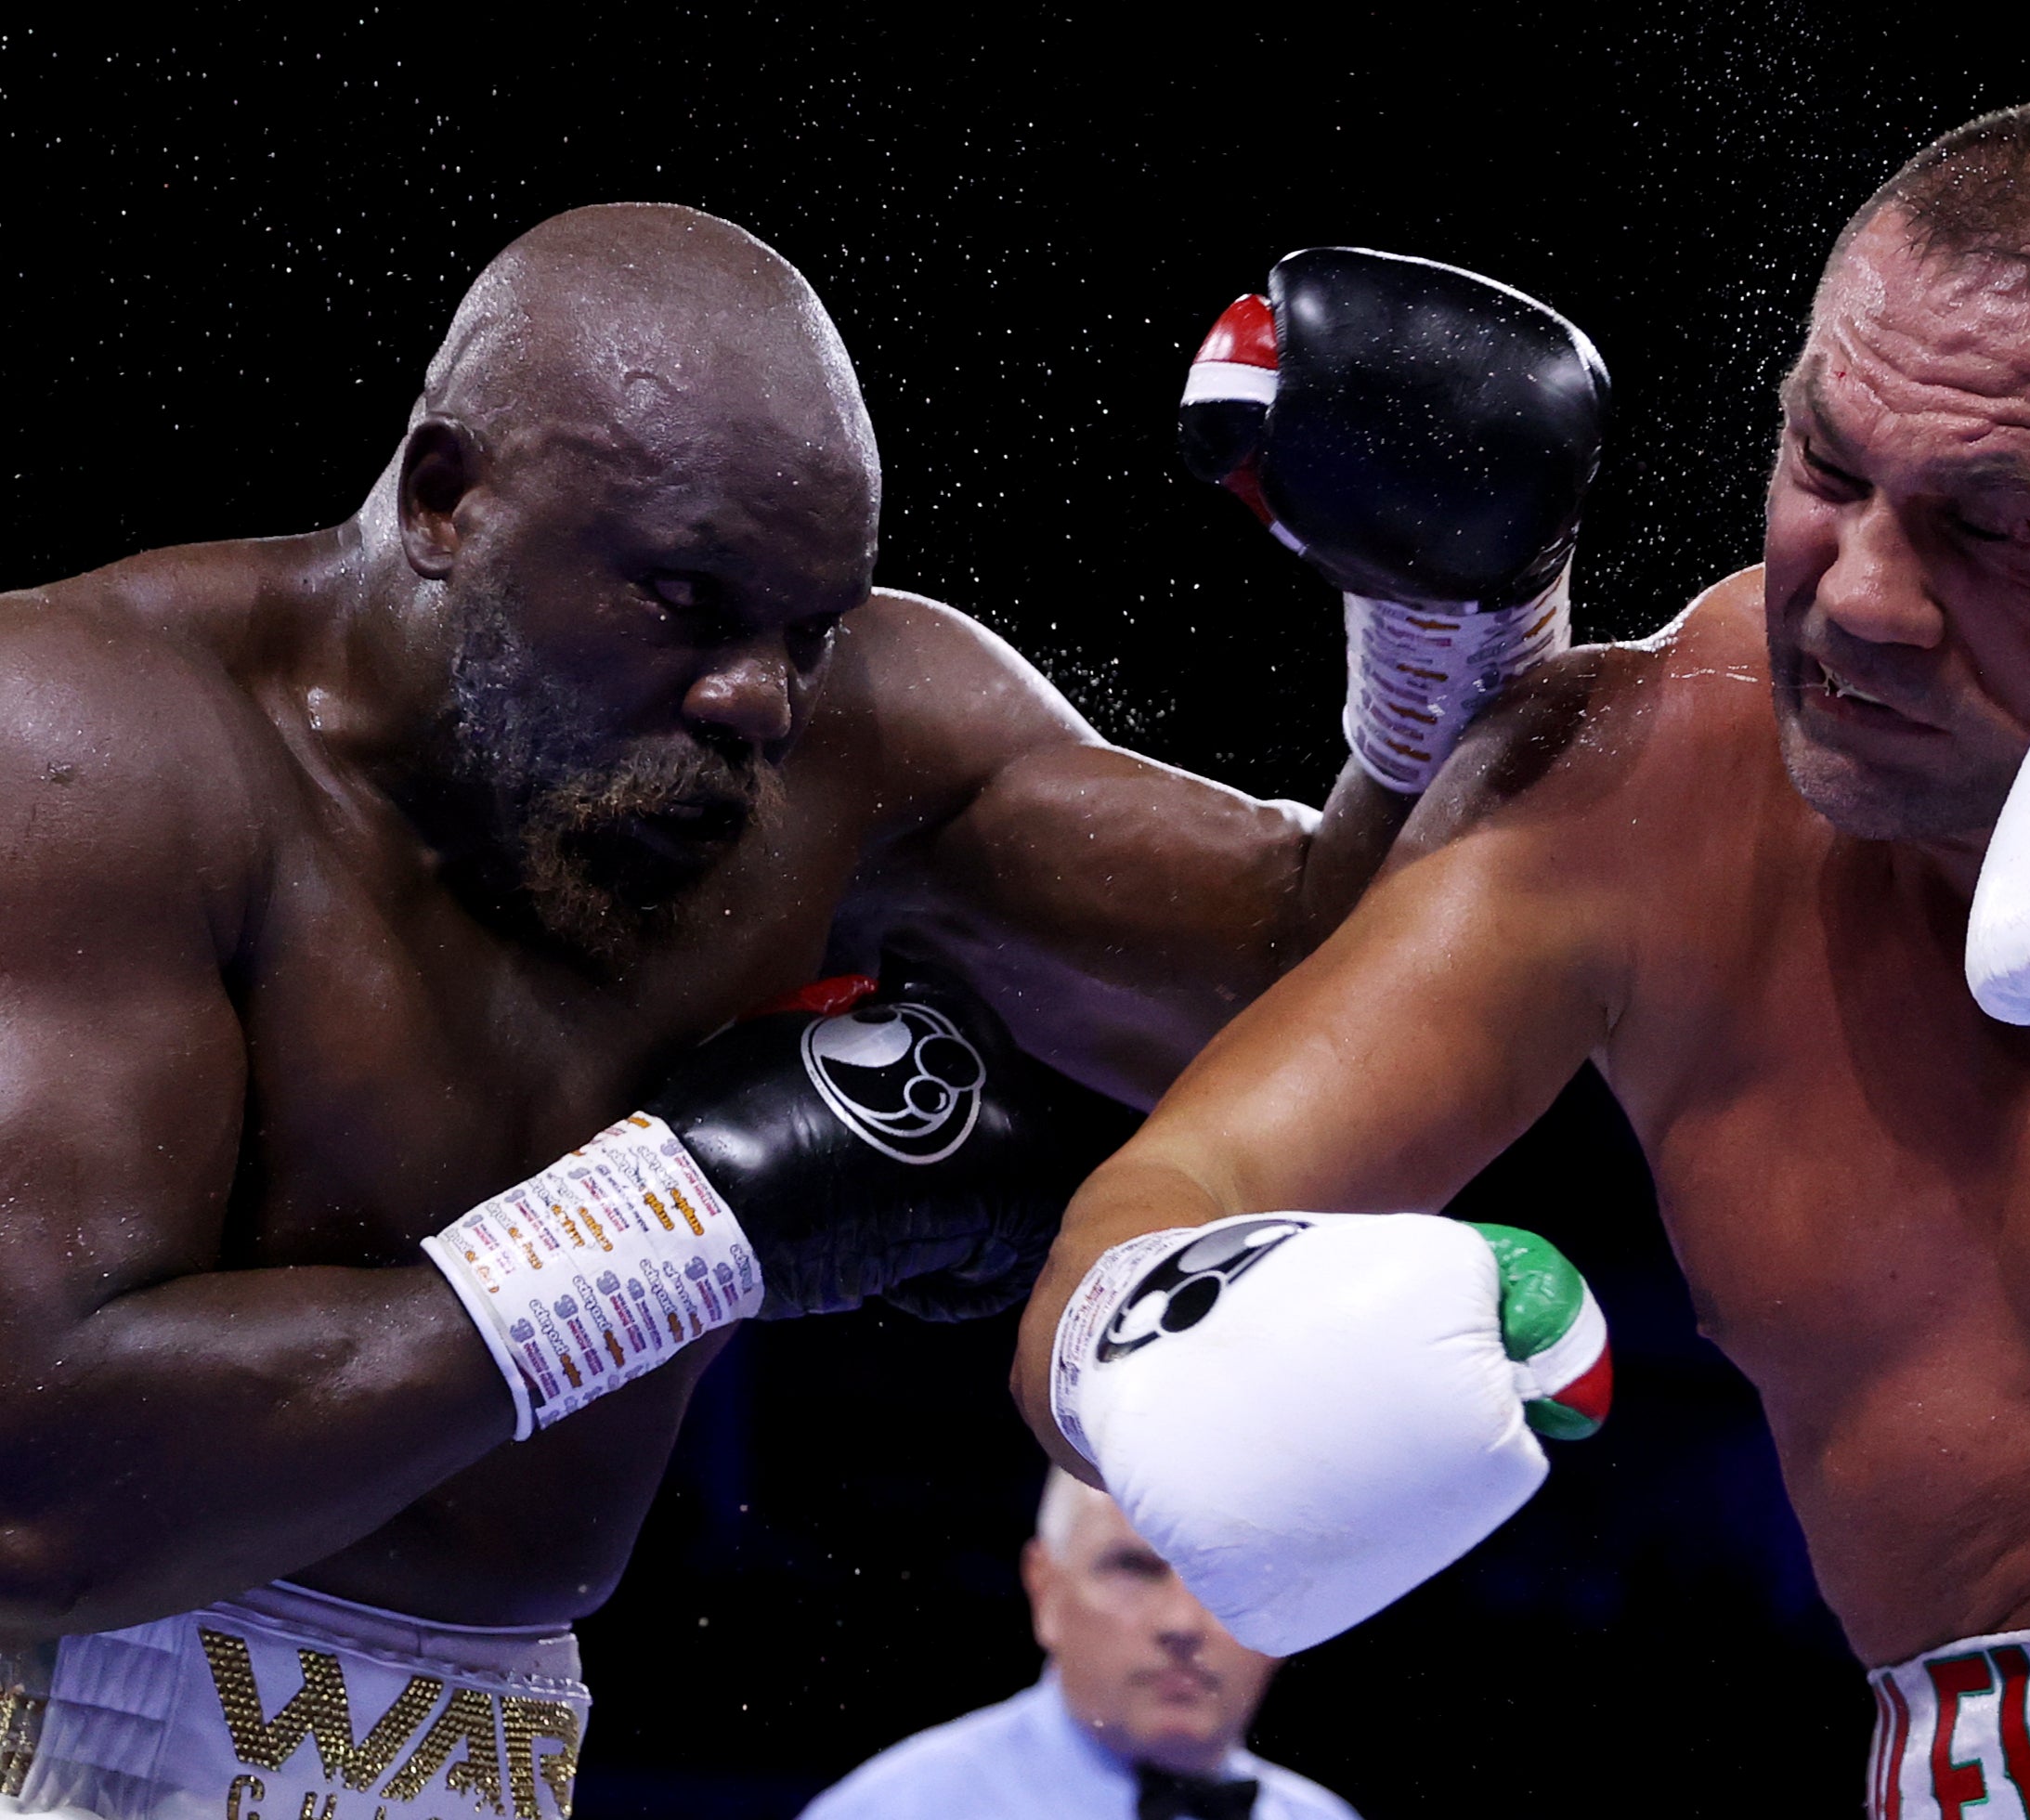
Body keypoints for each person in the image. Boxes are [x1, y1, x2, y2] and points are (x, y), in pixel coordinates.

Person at [0, 211, 1605, 1819]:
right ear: (445, 500)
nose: (758, 696)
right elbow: (39, 1495)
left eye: (811, 625)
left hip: (500, 1741)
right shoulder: (90, 745)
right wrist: (683, 1221)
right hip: (61, 1724)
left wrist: (1451, 635)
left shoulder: (854, 742)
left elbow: (1328, 1000)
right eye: (684, 599)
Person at [1017, 102, 2030, 1817]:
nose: (1862, 601)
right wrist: (1156, 1361)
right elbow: (1149, 1215)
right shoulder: (1648, 780)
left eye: (1997, 530)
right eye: (1828, 470)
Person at [801, 1470, 1358, 1819]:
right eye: (1134, 1568)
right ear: (1046, 1589)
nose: (1183, 1623)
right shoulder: (899, 1809)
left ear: (1289, 1619)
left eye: (1224, 1578)